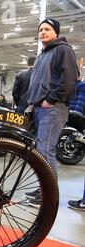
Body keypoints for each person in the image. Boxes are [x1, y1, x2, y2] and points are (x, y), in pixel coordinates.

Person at [25, 18, 79, 207]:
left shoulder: (62, 49)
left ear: (56, 32)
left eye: (47, 29)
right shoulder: (42, 54)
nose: (43, 32)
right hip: (40, 108)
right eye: (40, 29)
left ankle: (48, 194)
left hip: (53, 108)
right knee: (41, 151)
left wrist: (51, 99)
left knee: (45, 151)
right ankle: (43, 187)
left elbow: (71, 78)